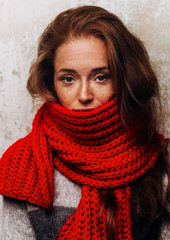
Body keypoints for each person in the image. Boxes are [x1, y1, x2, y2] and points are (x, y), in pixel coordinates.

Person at [0, 5, 169, 240]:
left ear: (125, 78)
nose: (84, 95)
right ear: (51, 82)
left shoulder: (158, 160)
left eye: (101, 77)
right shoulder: (23, 164)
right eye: (68, 79)